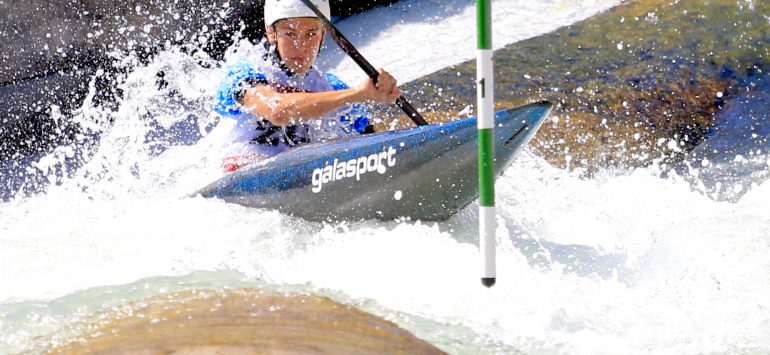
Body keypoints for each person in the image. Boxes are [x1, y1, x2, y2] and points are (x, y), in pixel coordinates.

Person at [214, 0, 401, 172]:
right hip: (242, 176)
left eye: (311, 34)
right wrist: (360, 94)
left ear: (323, 35)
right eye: (290, 33)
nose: (301, 45)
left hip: (300, 176)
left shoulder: (332, 87)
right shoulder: (243, 74)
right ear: (271, 33)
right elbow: (278, 110)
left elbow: (371, 147)